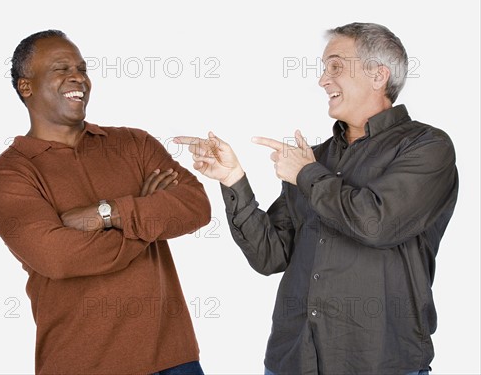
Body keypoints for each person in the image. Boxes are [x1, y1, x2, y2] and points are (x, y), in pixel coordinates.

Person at [175, 22, 458, 375]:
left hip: (380, 362)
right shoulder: (315, 158)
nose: (323, 81)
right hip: (293, 360)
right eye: (324, 69)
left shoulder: (426, 147)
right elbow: (270, 256)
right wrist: (234, 180)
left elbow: (377, 224)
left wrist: (306, 175)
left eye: (336, 66)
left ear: (378, 75)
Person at [0, 30, 211, 375]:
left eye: (82, 68)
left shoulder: (134, 143)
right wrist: (147, 216)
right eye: (61, 69)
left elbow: (196, 207)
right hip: (81, 364)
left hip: (173, 359)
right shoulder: (9, 174)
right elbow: (57, 257)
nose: (78, 77)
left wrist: (109, 213)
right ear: (25, 86)